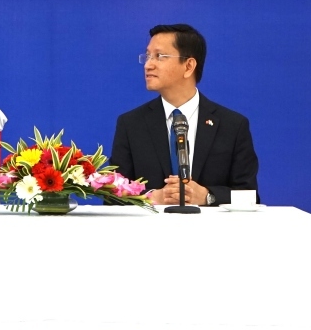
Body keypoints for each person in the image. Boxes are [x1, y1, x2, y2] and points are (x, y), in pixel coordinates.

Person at [110, 24, 259, 205]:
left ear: (188, 66)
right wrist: (151, 197)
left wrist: (207, 196)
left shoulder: (232, 126)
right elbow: (112, 197)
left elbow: (250, 197)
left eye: (159, 56)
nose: (148, 65)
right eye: (148, 56)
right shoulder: (131, 124)